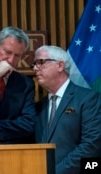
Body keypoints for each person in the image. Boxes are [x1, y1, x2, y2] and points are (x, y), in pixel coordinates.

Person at [32, 45, 101, 174]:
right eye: (34, 64)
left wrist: (56, 171)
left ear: (60, 66)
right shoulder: (40, 106)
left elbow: (91, 145)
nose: (35, 68)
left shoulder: (88, 98)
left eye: (40, 62)